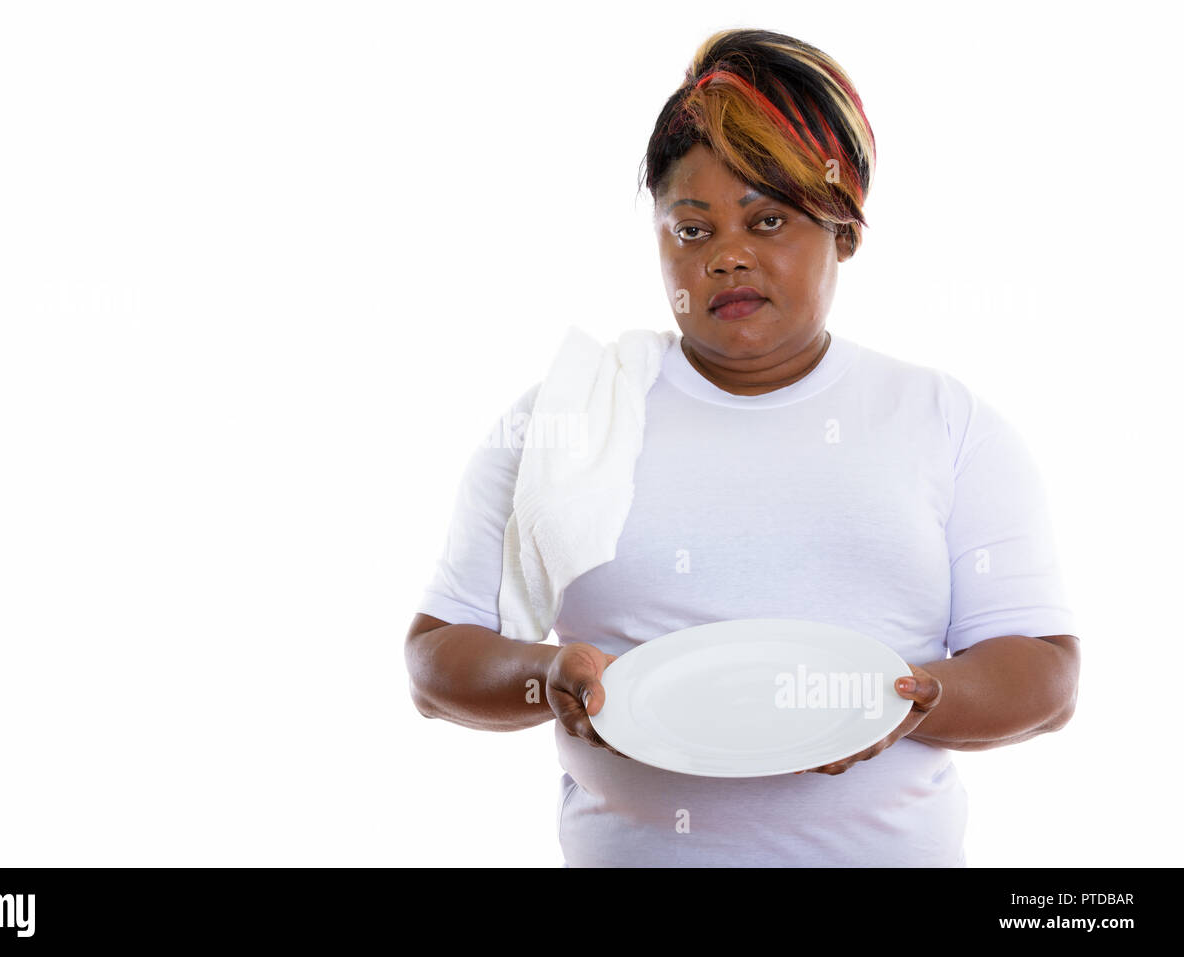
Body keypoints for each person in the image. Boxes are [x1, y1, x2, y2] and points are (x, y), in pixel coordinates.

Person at [404, 27, 1080, 867]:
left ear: (844, 231)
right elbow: (436, 659)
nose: (726, 256)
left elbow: (1045, 675)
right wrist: (548, 675)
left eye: (767, 220)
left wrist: (913, 699)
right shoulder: (569, 417)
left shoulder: (943, 420)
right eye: (691, 230)